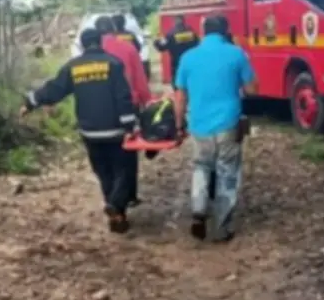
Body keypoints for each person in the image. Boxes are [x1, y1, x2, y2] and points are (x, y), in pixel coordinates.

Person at [20, 28, 138, 233]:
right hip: (115, 130)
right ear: (100, 42)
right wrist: (129, 126)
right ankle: (116, 205)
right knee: (123, 170)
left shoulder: (73, 67)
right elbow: (123, 97)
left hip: (90, 132)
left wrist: (31, 102)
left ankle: (117, 214)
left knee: (103, 171)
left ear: (82, 45)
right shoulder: (113, 64)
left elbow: (54, 89)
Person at [174, 15, 257, 242]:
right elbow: (252, 89)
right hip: (228, 122)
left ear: (203, 31)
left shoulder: (188, 57)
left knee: (201, 166)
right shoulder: (236, 53)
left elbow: (180, 96)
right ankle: (222, 227)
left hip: (199, 124)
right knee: (227, 172)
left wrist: (179, 124)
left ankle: (199, 210)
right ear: (226, 30)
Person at [95, 16, 150, 207]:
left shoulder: (89, 53)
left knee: (102, 159)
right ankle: (129, 196)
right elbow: (140, 79)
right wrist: (146, 102)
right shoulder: (128, 48)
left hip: (98, 110)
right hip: (128, 107)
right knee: (127, 155)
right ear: (114, 30)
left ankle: (111, 197)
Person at [154, 15, 198, 83]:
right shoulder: (191, 32)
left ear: (174, 21)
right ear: (183, 21)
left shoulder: (170, 34)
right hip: (191, 66)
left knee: (178, 88)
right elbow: (198, 44)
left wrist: (156, 41)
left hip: (177, 66)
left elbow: (161, 47)